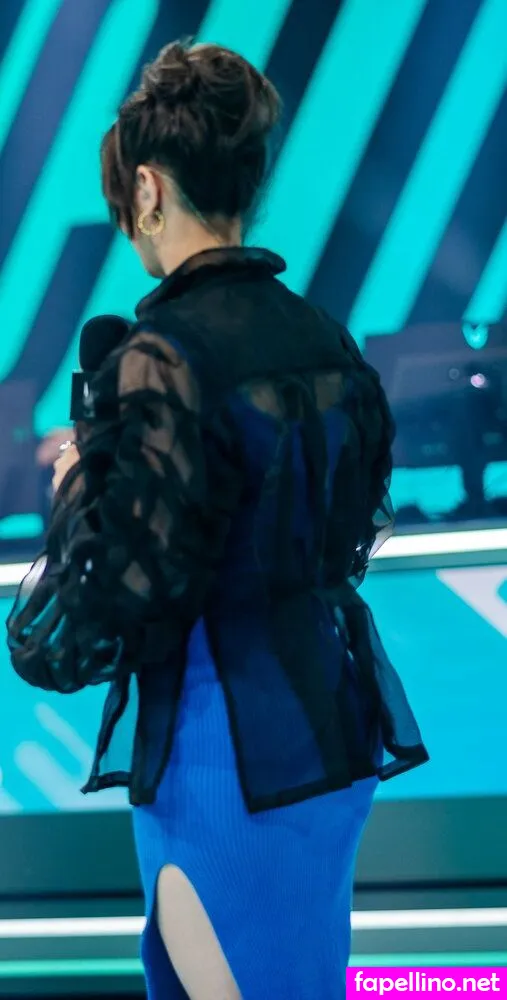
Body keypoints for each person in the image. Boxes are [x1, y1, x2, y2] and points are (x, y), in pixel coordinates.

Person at [8, 40, 428, 1000]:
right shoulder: (324, 338)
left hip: (220, 760)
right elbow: (347, 532)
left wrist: (79, 491)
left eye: (126, 206)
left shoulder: (160, 357)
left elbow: (116, 604)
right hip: (328, 738)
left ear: (148, 190)